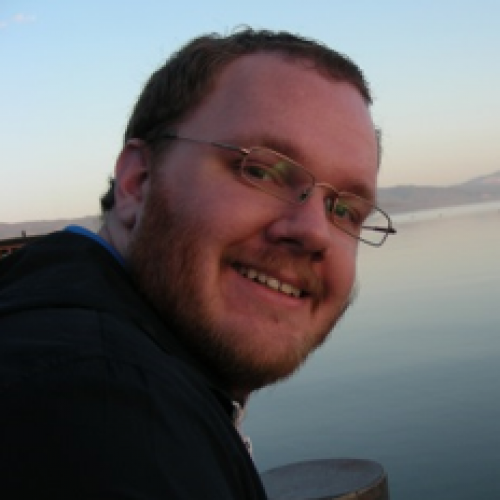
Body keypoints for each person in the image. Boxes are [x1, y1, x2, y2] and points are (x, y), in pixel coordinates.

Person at [0, 29, 395, 498]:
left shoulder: (64, 325)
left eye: (344, 210)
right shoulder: (98, 408)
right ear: (137, 182)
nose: (314, 232)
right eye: (261, 170)